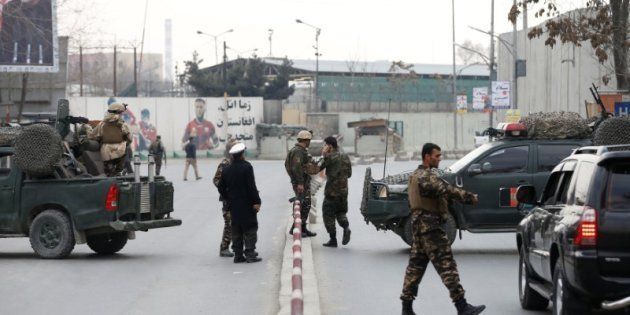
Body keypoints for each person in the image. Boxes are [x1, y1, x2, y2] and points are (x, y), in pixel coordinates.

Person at [400, 143, 485, 315]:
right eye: (437, 156)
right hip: (430, 228)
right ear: (427, 156)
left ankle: (406, 308)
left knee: (415, 268)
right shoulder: (426, 176)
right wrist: (469, 198)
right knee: (447, 265)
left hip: (419, 228)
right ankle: (462, 307)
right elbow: (446, 189)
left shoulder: (415, 176)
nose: (440, 159)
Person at [218, 142, 262, 263]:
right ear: (242, 154)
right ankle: (250, 254)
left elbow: (220, 187)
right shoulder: (247, 167)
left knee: (236, 229)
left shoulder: (226, 169)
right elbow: (251, 186)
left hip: (233, 205)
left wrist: (227, 197)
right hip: (247, 204)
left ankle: (238, 255)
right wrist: (257, 201)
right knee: (250, 229)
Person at [284, 130, 319, 238]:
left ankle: (301, 228)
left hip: (303, 182)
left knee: (305, 204)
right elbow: (296, 168)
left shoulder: (300, 150)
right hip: (301, 183)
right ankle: (297, 228)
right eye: (309, 140)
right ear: (306, 140)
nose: (309, 142)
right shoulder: (298, 151)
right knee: (303, 204)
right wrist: (299, 183)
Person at [319, 136, 352, 247]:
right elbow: (349, 174)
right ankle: (346, 227)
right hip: (343, 191)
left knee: (328, 214)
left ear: (330, 146)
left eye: (325, 145)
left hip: (332, 192)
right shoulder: (345, 156)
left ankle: (333, 239)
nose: (324, 147)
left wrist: (323, 155)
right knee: (341, 212)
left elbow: (317, 168)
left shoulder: (330, 157)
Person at [0, 0, 53, 65]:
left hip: (42, 62)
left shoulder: (50, 7)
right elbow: (5, 40)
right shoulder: (10, 7)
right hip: (13, 63)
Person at [89, 102, 132, 177]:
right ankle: (119, 171)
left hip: (106, 151)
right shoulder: (122, 124)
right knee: (119, 169)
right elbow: (129, 138)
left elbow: (92, 135)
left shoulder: (102, 124)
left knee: (108, 173)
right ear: (118, 112)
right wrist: (126, 143)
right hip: (120, 150)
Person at [213, 139, 238, 258]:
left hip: (237, 199)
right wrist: (227, 191)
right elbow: (216, 180)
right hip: (228, 200)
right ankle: (224, 248)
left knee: (236, 222)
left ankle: (235, 246)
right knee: (229, 223)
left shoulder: (236, 162)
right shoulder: (225, 163)